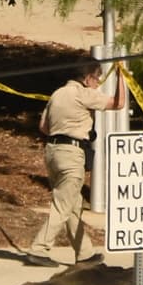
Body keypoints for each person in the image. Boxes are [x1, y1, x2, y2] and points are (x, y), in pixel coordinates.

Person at [26, 59, 123, 267]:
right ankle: (39, 249)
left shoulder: (57, 94)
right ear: (87, 79)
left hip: (52, 152)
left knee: (73, 205)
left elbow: (43, 126)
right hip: (72, 153)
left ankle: (84, 253)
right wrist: (121, 76)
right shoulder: (84, 93)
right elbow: (119, 103)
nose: (98, 83)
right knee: (63, 205)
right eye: (97, 79)